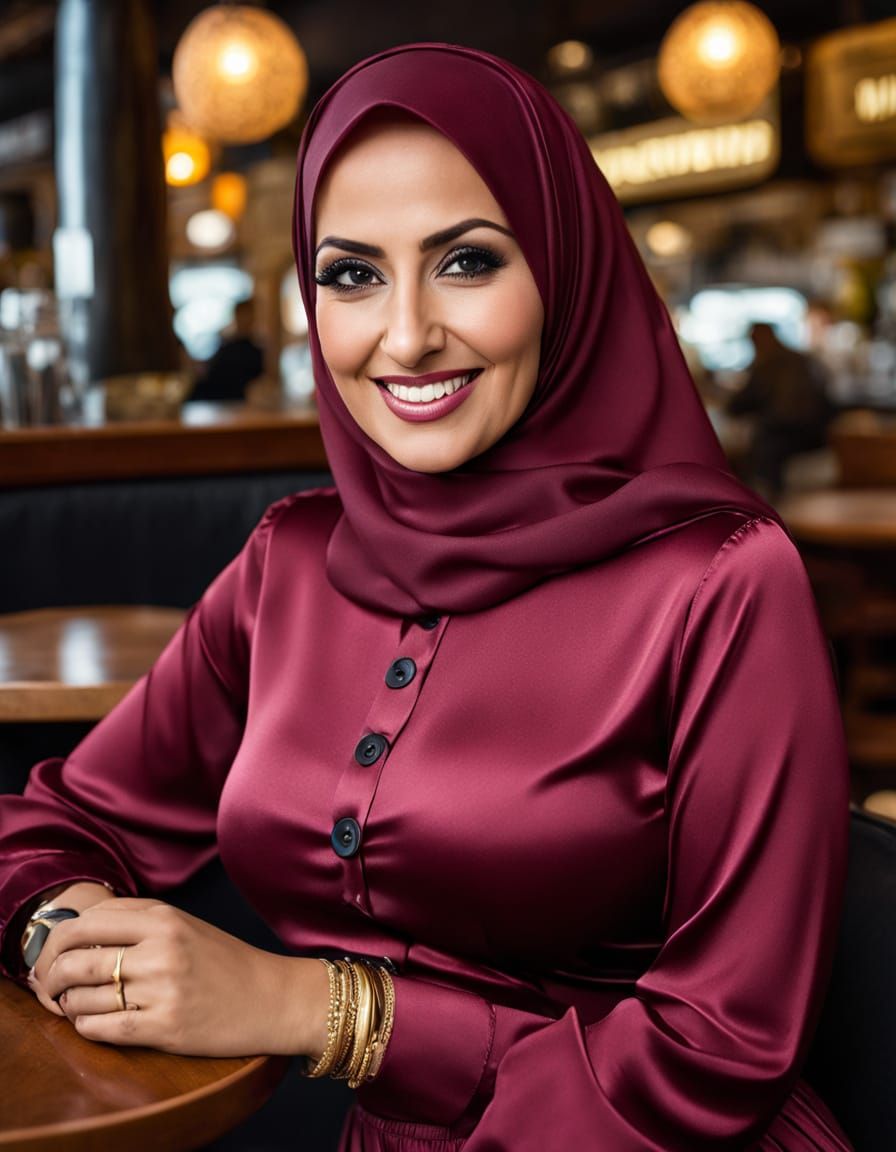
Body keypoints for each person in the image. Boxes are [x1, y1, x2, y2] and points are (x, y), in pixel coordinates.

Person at [0, 45, 852, 1151]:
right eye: (351, 274)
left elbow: (721, 1045)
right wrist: (66, 939)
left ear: (564, 269)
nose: (403, 337)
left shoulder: (723, 579)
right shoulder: (291, 556)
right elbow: (54, 818)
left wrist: (318, 1008)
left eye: (466, 263)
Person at [726, 322, 834, 497]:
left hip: (783, 434)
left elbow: (739, 405)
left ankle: (763, 505)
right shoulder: (801, 359)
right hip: (817, 433)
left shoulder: (768, 364)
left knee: (756, 454)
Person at [189, 297, 265, 403]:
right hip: (212, 399)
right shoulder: (226, 345)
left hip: (235, 403)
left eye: (247, 315)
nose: (244, 319)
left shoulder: (256, 351)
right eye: (241, 315)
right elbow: (210, 371)